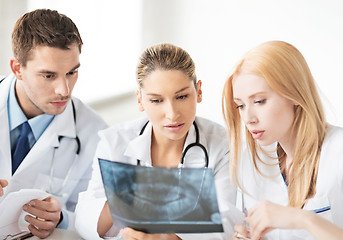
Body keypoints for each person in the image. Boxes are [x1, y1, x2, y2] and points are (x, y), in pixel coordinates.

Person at [75, 43, 240, 239]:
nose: (172, 114)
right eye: (156, 100)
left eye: (182, 96)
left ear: (199, 91)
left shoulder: (222, 144)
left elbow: (228, 222)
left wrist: (168, 238)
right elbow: (85, 220)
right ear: (140, 100)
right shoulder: (114, 142)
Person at [0, 9, 107, 238]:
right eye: (49, 75)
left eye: (71, 72)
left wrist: (61, 218)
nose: (64, 90)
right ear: (18, 68)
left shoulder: (95, 133)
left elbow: (100, 219)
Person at [222, 40, 343, 240]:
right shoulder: (253, 164)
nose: (248, 118)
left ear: (294, 94)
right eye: (240, 106)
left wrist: (305, 219)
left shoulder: (337, 152)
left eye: (259, 101)